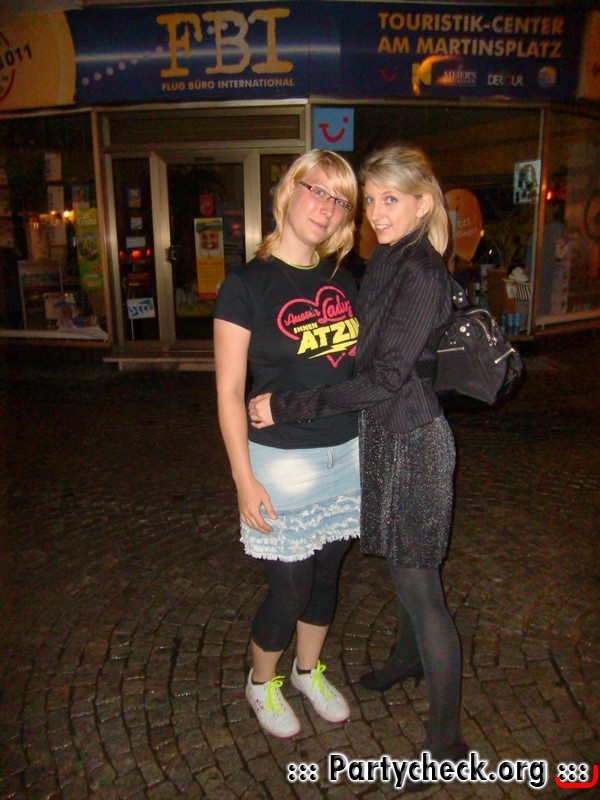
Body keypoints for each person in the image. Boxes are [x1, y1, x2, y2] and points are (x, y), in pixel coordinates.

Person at [249, 143, 468, 779]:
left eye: (390, 199)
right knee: (402, 569)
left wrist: (289, 405)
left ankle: (447, 742)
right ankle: (406, 659)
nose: (377, 212)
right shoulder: (388, 258)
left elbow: (385, 378)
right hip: (385, 438)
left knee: (420, 586)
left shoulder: (421, 270)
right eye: (370, 201)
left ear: (423, 203)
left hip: (415, 444)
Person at [213, 149, 360, 739]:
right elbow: (229, 392)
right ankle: (261, 681)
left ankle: (306, 671)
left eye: (340, 199)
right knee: (291, 586)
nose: (327, 207)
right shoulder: (246, 284)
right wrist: (243, 479)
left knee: (326, 577)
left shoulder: (344, 280)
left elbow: (357, 375)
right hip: (282, 462)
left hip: (347, 453)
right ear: (289, 191)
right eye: (317, 190)